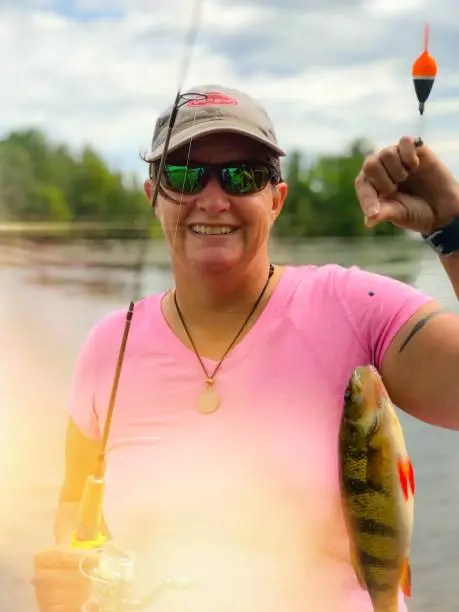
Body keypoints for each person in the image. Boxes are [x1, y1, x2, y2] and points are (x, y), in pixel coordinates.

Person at [32, 83, 459, 612]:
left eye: (244, 176)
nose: (213, 199)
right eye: (185, 174)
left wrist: (452, 226)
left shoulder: (357, 304)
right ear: (152, 197)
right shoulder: (107, 345)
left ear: (276, 200)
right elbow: (76, 508)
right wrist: (69, 579)